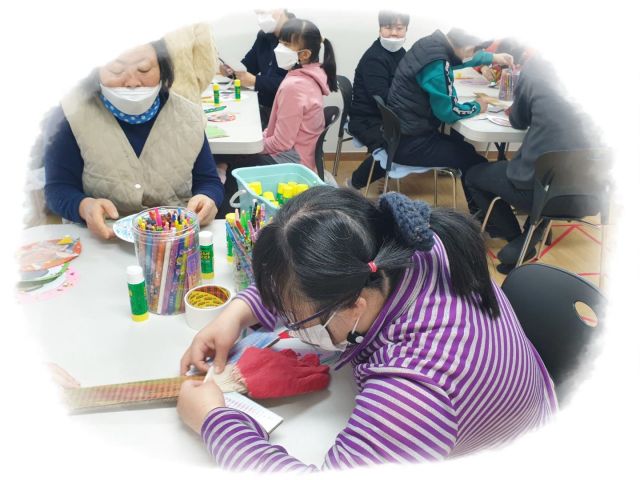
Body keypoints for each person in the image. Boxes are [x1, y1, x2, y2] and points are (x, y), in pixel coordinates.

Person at [177, 187, 557, 472]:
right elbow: (302, 279)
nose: (291, 326)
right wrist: (235, 315)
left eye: (298, 322)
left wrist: (215, 421)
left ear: (354, 306)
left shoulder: (416, 391)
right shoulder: (400, 243)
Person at [43, 40, 224, 240]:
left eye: (144, 69)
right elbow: (57, 188)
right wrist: (84, 207)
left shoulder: (187, 116)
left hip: (175, 240)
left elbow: (208, 181)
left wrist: (207, 198)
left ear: (162, 68)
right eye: (116, 70)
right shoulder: (70, 114)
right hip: (102, 240)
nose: (132, 82)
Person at [465, 52, 600, 273]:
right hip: (591, 195)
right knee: (552, 171)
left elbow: (518, 120)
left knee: (473, 176)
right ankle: (534, 230)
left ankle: (517, 237)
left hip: (539, 190)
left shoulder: (537, 66)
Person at [216, 18, 338, 216]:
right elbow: (277, 131)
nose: (279, 48)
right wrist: (259, 139)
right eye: (281, 42)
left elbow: (282, 143)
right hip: (301, 156)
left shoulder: (295, 86)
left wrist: (254, 146)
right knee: (234, 157)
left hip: (291, 164)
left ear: (304, 55)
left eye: (287, 44)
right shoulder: (311, 74)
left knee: (233, 169)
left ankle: (229, 220)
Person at [386, 28, 515, 212]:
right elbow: (448, 112)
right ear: (468, 47)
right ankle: (487, 217)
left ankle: (481, 213)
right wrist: (477, 106)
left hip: (401, 135)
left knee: (465, 149)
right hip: (411, 144)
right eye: (475, 51)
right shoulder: (437, 64)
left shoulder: (430, 44)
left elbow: (459, 59)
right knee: (474, 162)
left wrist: (493, 57)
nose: (474, 56)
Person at [346, 10, 410, 190]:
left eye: (399, 28)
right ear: (380, 29)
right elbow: (383, 97)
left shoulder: (401, 53)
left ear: (406, 29)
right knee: (400, 144)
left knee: (416, 136)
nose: (394, 33)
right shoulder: (374, 58)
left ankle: (384, 174)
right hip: (367, 118)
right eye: (388, 27)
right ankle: (353, 184)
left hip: (387, 115)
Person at [221, 9, 295, 127]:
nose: (260, 18)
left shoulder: (300, 35)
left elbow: (297, 85)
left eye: (263, 12)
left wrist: (256, 81)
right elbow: (249, 66)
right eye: (258, 13)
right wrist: (231, 71)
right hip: (262, 106)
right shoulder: (264, 36)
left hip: (286, 112)